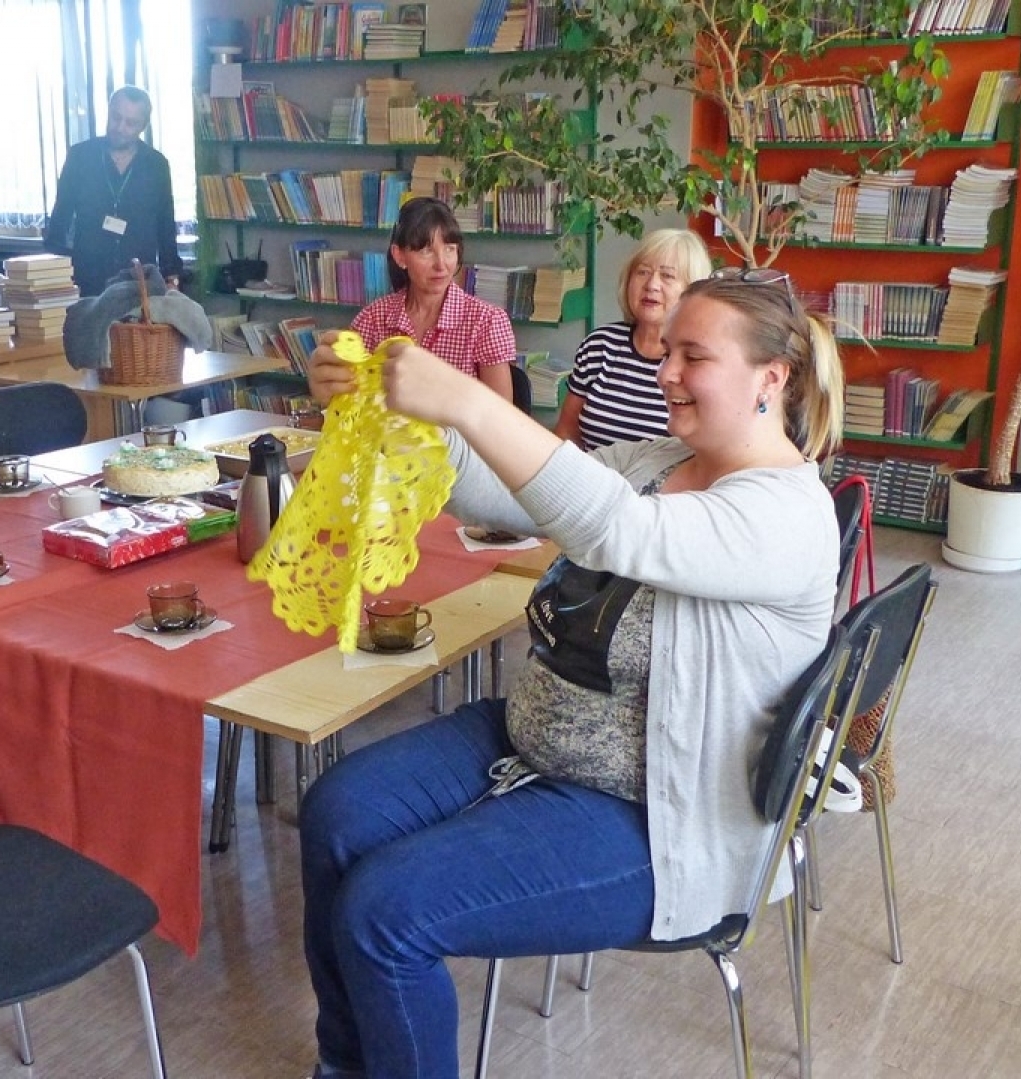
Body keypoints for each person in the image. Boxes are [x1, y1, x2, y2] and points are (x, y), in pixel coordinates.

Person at [297, 270, 844, 1079]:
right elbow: (521, 496)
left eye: (694, 355)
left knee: (386, 913)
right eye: (668, 351)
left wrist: (473, 400)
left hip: (656, 815)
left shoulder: (787, 515)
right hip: (533, 739)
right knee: (335, 812)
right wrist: (389, 402)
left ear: (773, 378)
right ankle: (348, 1066)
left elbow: (615, 529)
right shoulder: (667, 457)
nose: (665, 370)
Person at [348, 196, 518, 403]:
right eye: (426, 250)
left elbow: (500, 418)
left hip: (459, 435)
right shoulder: (372, 319)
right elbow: (351, 403)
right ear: (400, 256)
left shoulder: (487, 321)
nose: (441, 265)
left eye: (449, 249)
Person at [555, 228, 714, 448]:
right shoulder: (599, 345)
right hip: (591, 479)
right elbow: (566, 430)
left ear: (692, 290)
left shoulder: (701, 361)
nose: (651, 285)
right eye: (643, 272)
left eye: (667, 276)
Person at [43, 87, 181, 295]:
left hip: (138, 279)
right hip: (87, 276)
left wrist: (172, 277)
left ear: (143, 126)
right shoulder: (80, 156)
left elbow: (165, 224)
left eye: (130, 122)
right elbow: (61, 216)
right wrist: (54, 269)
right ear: (108, 112)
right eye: (116, 117)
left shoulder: (156, 165)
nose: (120, 127)